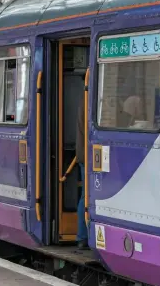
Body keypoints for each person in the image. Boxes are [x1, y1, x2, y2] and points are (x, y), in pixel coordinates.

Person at [76, 96, 89, 249]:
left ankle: (83, 237)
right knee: (86, 197)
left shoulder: (84, 99)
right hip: (87, 155)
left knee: (85, 196)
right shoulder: (89, 99)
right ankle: (83, 236)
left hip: (83, 153)